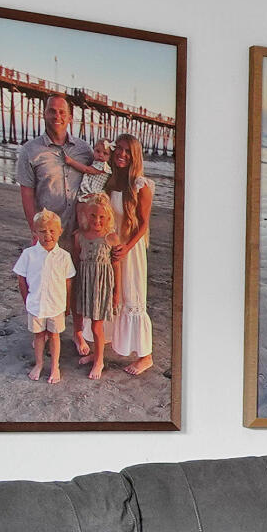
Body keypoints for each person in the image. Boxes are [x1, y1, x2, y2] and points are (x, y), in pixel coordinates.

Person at [15, 93, 104, 349]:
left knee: (72, 280)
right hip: (48, 231)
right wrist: (34, 228)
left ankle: (77, 332)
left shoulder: (84, 150)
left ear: (70, 117)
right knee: (42, 280)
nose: (57, 116)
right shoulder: (31, 151)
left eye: (62, 112)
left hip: (77, 228)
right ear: (44, 113)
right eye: (52, 111)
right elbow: (26, 190)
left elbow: (101, 177)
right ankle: (41, 331)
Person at [102, 133, 156, 376]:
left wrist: (127, 247)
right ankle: (106, 344)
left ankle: (146, 356)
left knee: (132, 296)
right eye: (118, 149)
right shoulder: (108, 180)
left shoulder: (140, 185)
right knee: (110, 295)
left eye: (127, 151)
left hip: (130, 249)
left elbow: (144, 224)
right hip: (109, 246)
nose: (122, 154)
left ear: (135, 157)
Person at [14, 210, 73, 383]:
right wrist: (27, 301)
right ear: (35, 232)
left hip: (56, 305)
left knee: (54, 335)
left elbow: (68, 282)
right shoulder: (29, 254)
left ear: (60, 231)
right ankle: (39, 364)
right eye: (43, 231)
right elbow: (21, 279)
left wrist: (67, 305)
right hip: (36, 304)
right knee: (39, 335)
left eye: (52, 231)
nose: (48, 235)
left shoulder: (64, 256)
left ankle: (55, 366)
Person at [72, 192, 118, 380]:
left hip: (101, 286)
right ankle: (92, 353)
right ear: (86, 214)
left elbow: (116, 266)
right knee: (83, 319)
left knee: (97, 326)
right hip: (83, 282)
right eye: (93, 215)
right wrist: (73, 287)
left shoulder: (111, 237)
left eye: (101, 217)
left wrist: (116, 293)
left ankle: (99, 360)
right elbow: (75, 261)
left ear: (108, 218)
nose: (97, 220)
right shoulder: (79, 235)